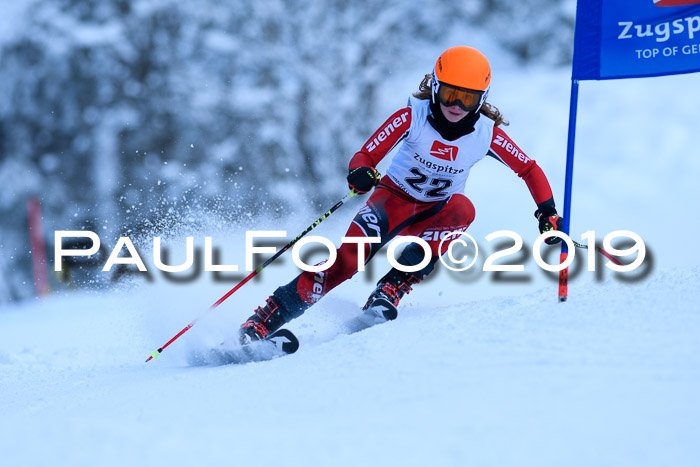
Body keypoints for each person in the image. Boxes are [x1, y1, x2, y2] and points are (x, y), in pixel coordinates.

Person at [239, 46, 563, 343]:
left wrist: (546, 212)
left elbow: (529, 169)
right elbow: (366, 155)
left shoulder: (486, 134)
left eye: (467, 99)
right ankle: (262, 322)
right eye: (449, 93)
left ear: (481, 99)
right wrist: (361, 171)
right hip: (390, 203)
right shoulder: (412, 117)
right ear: (435, 86)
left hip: (433, 215)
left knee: (463, 209)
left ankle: (390, 290)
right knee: (346, 262)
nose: (455, 106)